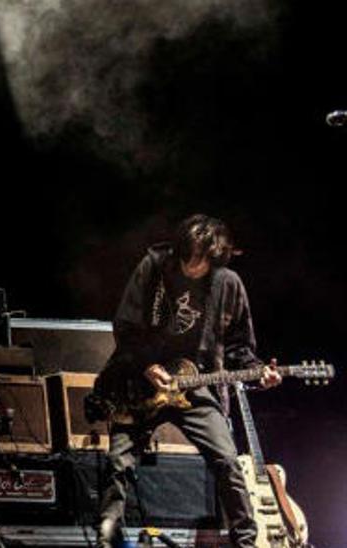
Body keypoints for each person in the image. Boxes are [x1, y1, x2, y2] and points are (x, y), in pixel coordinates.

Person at [93, 214, 278, 548]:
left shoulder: (228, 284)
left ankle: (247, 541)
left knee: (227, 460)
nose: (194, 267)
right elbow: (125, 325)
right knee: (118, 461)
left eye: (203, 261)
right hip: (140, 383)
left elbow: (239, 347)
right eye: (189, 257)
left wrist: (258, 370)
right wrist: (147, 365)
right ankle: (107, 533)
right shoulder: (152, 267)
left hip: (196, 385)